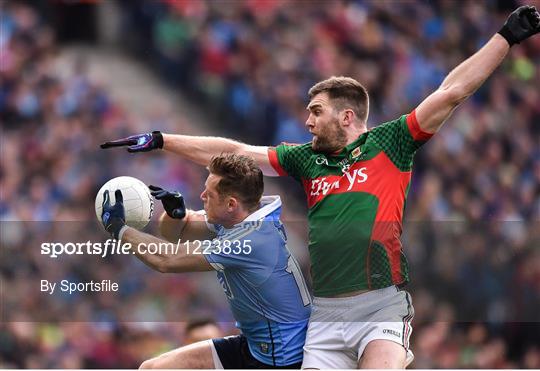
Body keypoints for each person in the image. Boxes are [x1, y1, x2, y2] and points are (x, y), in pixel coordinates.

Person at [101, 6, 540, 369]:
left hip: (379, 307)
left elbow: (451, 92)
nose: (307, 121)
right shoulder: (305, 160)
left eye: (316, 111)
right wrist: (163, 140)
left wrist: (504, 37)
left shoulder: (391, 142)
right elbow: (232, 149)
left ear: (346, 116)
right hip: (326, 314)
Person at [99, 154, 311, 369]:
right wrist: (175, 215)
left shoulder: (249, 240)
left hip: (279, 360)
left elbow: (167, 259)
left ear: (230, 204)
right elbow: (174, 233)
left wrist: (118, 229)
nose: (201, 196)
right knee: (152, 368)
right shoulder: (242, 216)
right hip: (255, 345)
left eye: (209, 194)